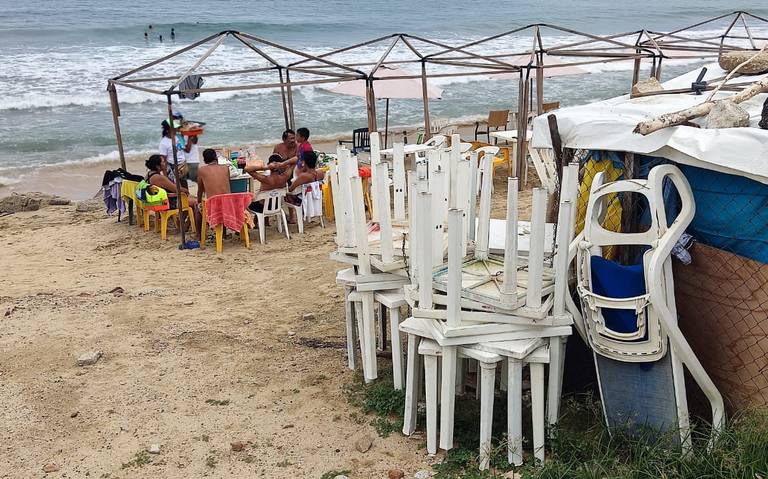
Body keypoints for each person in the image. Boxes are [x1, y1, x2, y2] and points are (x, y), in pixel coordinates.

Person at [145, 154, 201, 237]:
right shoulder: (159, 178)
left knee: (189, 199)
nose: (165, 163)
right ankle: (188, 226)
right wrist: (185, 190)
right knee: (196, 202)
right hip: (167, 202)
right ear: (157, 166)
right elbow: (177, 189)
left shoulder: (149, 174)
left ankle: (182, 223)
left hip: (157, 201)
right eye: (163, 162)